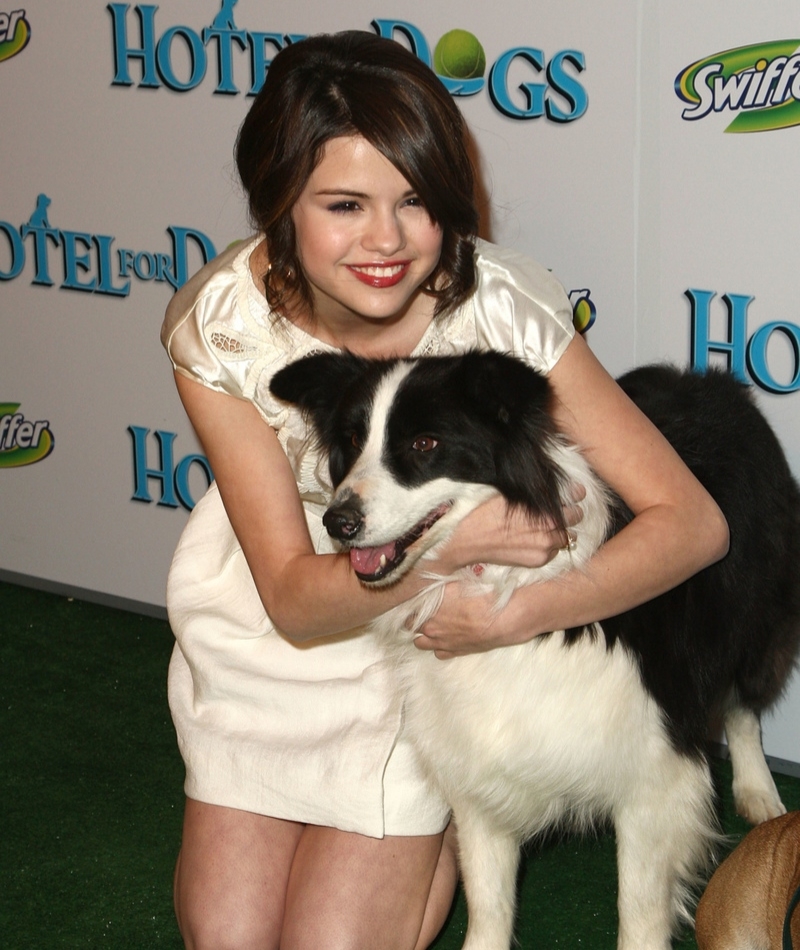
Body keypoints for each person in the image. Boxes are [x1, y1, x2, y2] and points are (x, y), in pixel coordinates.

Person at [160, 30, 729, 950]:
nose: (386, 241)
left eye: (416, 201)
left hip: (444, 654)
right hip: (291, 621)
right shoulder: (219, 321)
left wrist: (514, 614)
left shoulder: (497, 310)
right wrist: (458, 544)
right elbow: (297, 606)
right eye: (344, 204)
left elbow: (693, 524)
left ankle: (437, 828)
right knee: (227, 937)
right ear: (279, 206)